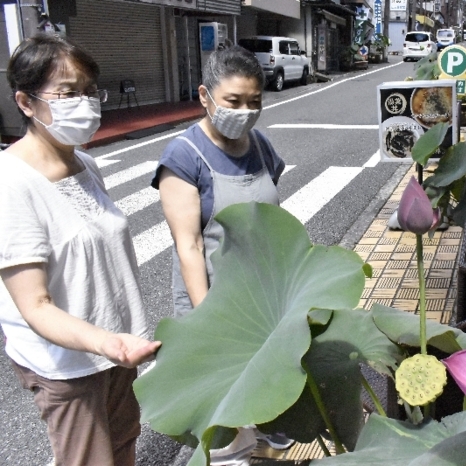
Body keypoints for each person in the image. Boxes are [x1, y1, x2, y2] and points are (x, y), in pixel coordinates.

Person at [0, 34, 161, 466]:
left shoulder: (84, 163)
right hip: (68, 364)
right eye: (68, 93)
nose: (86, 103)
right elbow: (35, 305)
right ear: (26, 102)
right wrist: (107, 343)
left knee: (124, 445)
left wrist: (117, 345)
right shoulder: (10, 184)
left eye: (91, 91)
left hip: (115, 348)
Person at [151, 45, 289, 465]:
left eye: (254, 102)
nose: (245, 111)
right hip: (211, 296)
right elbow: (189, 246)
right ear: (204, 96)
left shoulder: (260, 145)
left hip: (260, 292)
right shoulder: (183, 156)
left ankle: (259, 435)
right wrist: (210, 323)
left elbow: (268, 215)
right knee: (223, 414)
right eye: (233, 101)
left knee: (262, 390)